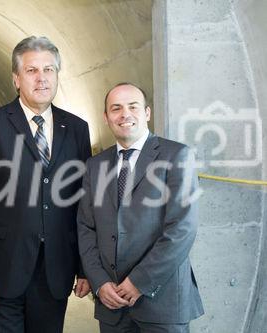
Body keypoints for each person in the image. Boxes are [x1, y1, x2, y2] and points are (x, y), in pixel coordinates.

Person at [0, 36, 92, 332]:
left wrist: (85, 269)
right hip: (2, 269)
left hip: (56, 270)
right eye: (32, 70)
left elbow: (85, 205)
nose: (42, 78)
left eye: (49, 70)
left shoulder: (76, 128)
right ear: (16, 79)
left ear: (57, 76)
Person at [77, 82, 204, 332]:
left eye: (133, 106)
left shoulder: (176, 156)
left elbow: (182, 229)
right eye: (116, 108)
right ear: (106, 117)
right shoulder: (95, 166)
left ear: (146, 113)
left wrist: (138, 282)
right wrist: (100, 282)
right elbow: (86, 228)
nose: (125, 114)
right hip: (111, 303)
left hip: (162, 303)